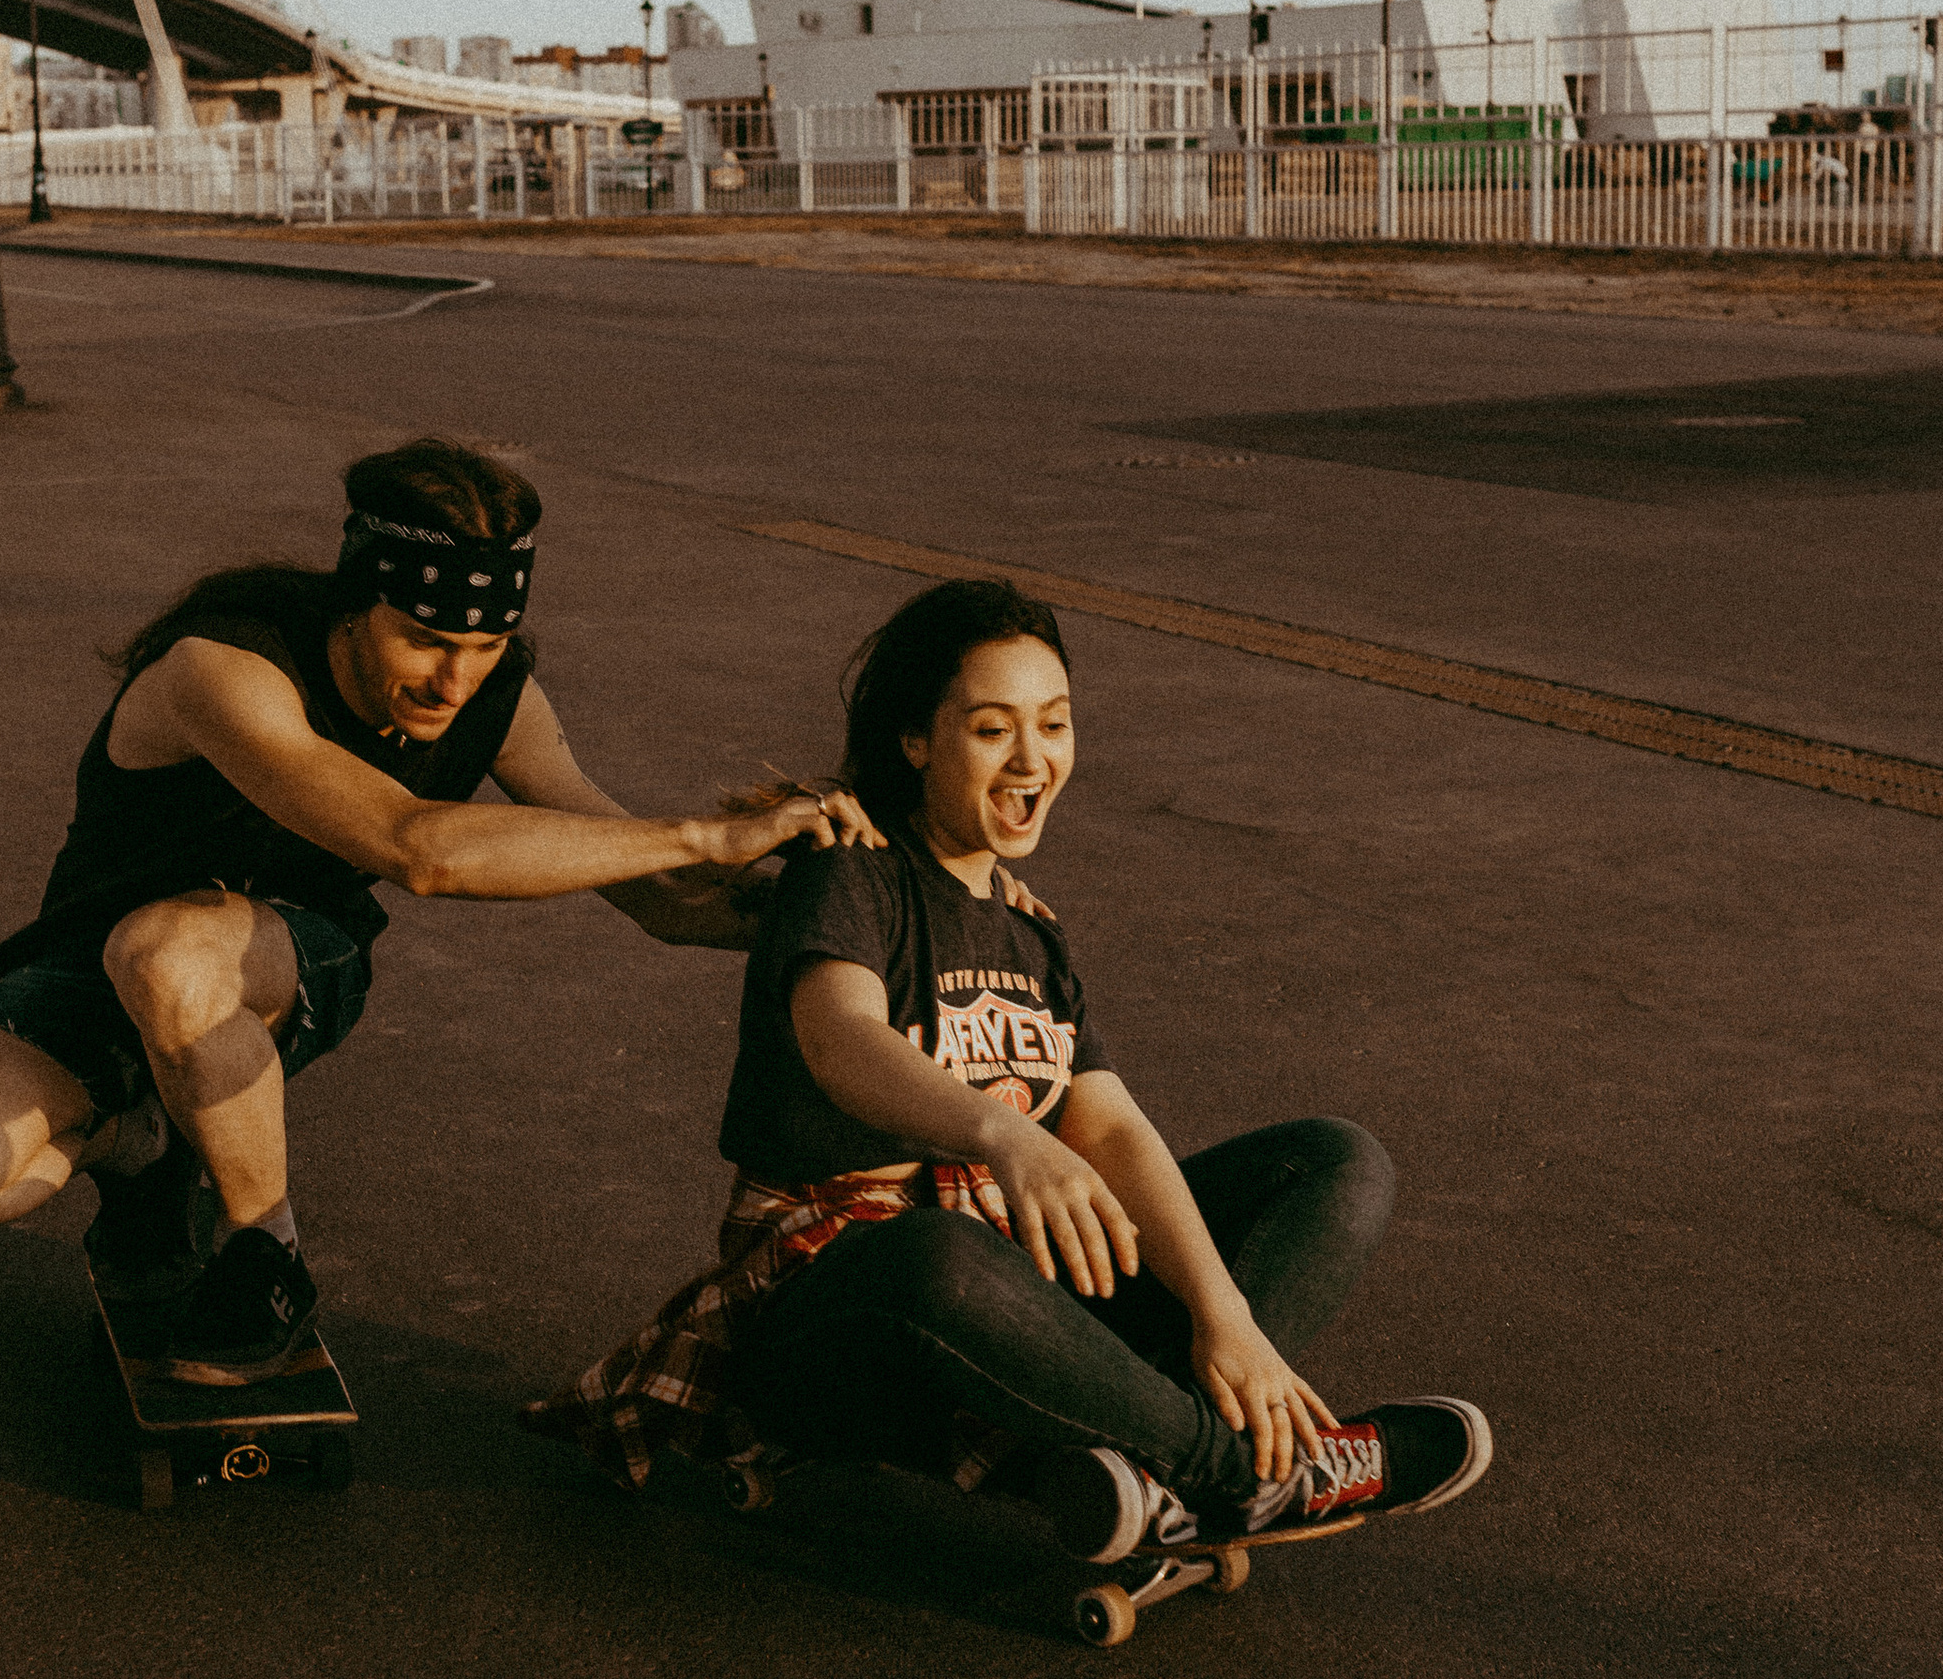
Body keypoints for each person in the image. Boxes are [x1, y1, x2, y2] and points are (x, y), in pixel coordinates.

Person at [0, 434, 858, 1385]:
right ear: (356, 604)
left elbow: (662, 900)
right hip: (80, 973)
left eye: (488, 640)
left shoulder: (499, 696)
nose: (455, 677)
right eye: (424, 640)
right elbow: (415, 848)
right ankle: (139, 1143)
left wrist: (853, 907)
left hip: (282, 964)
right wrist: (699, 832)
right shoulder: (226, 669)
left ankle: (263, 1255)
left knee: (167, 954)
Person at [527, 577, 1491, 1566]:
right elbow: (840, 1037)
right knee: (939, 1251)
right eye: (993, 729)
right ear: (916, 740)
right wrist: (1003, 1134)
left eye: (1055, 724)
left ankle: (1148, 1472)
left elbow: (1110, 1129)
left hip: (1018, 1300)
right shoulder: (852, 874)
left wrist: (1224, 1317)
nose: (1034, 760)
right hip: (842, 1323)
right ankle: (1248, 1473)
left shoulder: (1031, 931)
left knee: (1335, 1163)